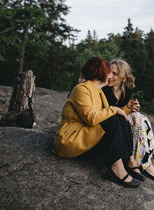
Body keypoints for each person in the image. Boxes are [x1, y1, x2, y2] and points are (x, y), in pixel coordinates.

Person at [54, 57, 141, 188]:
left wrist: (124, 110)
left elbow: (106, 113)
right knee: (114, 119)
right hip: (70, 140)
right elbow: (91, 118)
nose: (111, 76)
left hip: (86, 138)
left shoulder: (98, 91)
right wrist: (115, 109)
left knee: (120, 118)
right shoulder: (81, 89)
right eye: (110, 72)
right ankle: (117, 169)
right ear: (103, 73)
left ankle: (129, 160)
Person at [102, 58, 154, 183]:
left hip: (118, 123)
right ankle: (141, 162)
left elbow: (124, 112)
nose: (110, 76)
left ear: (124, 78)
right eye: (110, 72)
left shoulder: (125, 92)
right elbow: (108, 113)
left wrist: (132, 108)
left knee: (140, 117)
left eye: (115, 74)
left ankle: (152, 159)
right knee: (133, 117)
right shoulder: (104, 89)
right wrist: (126, 109)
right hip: (108, 128)